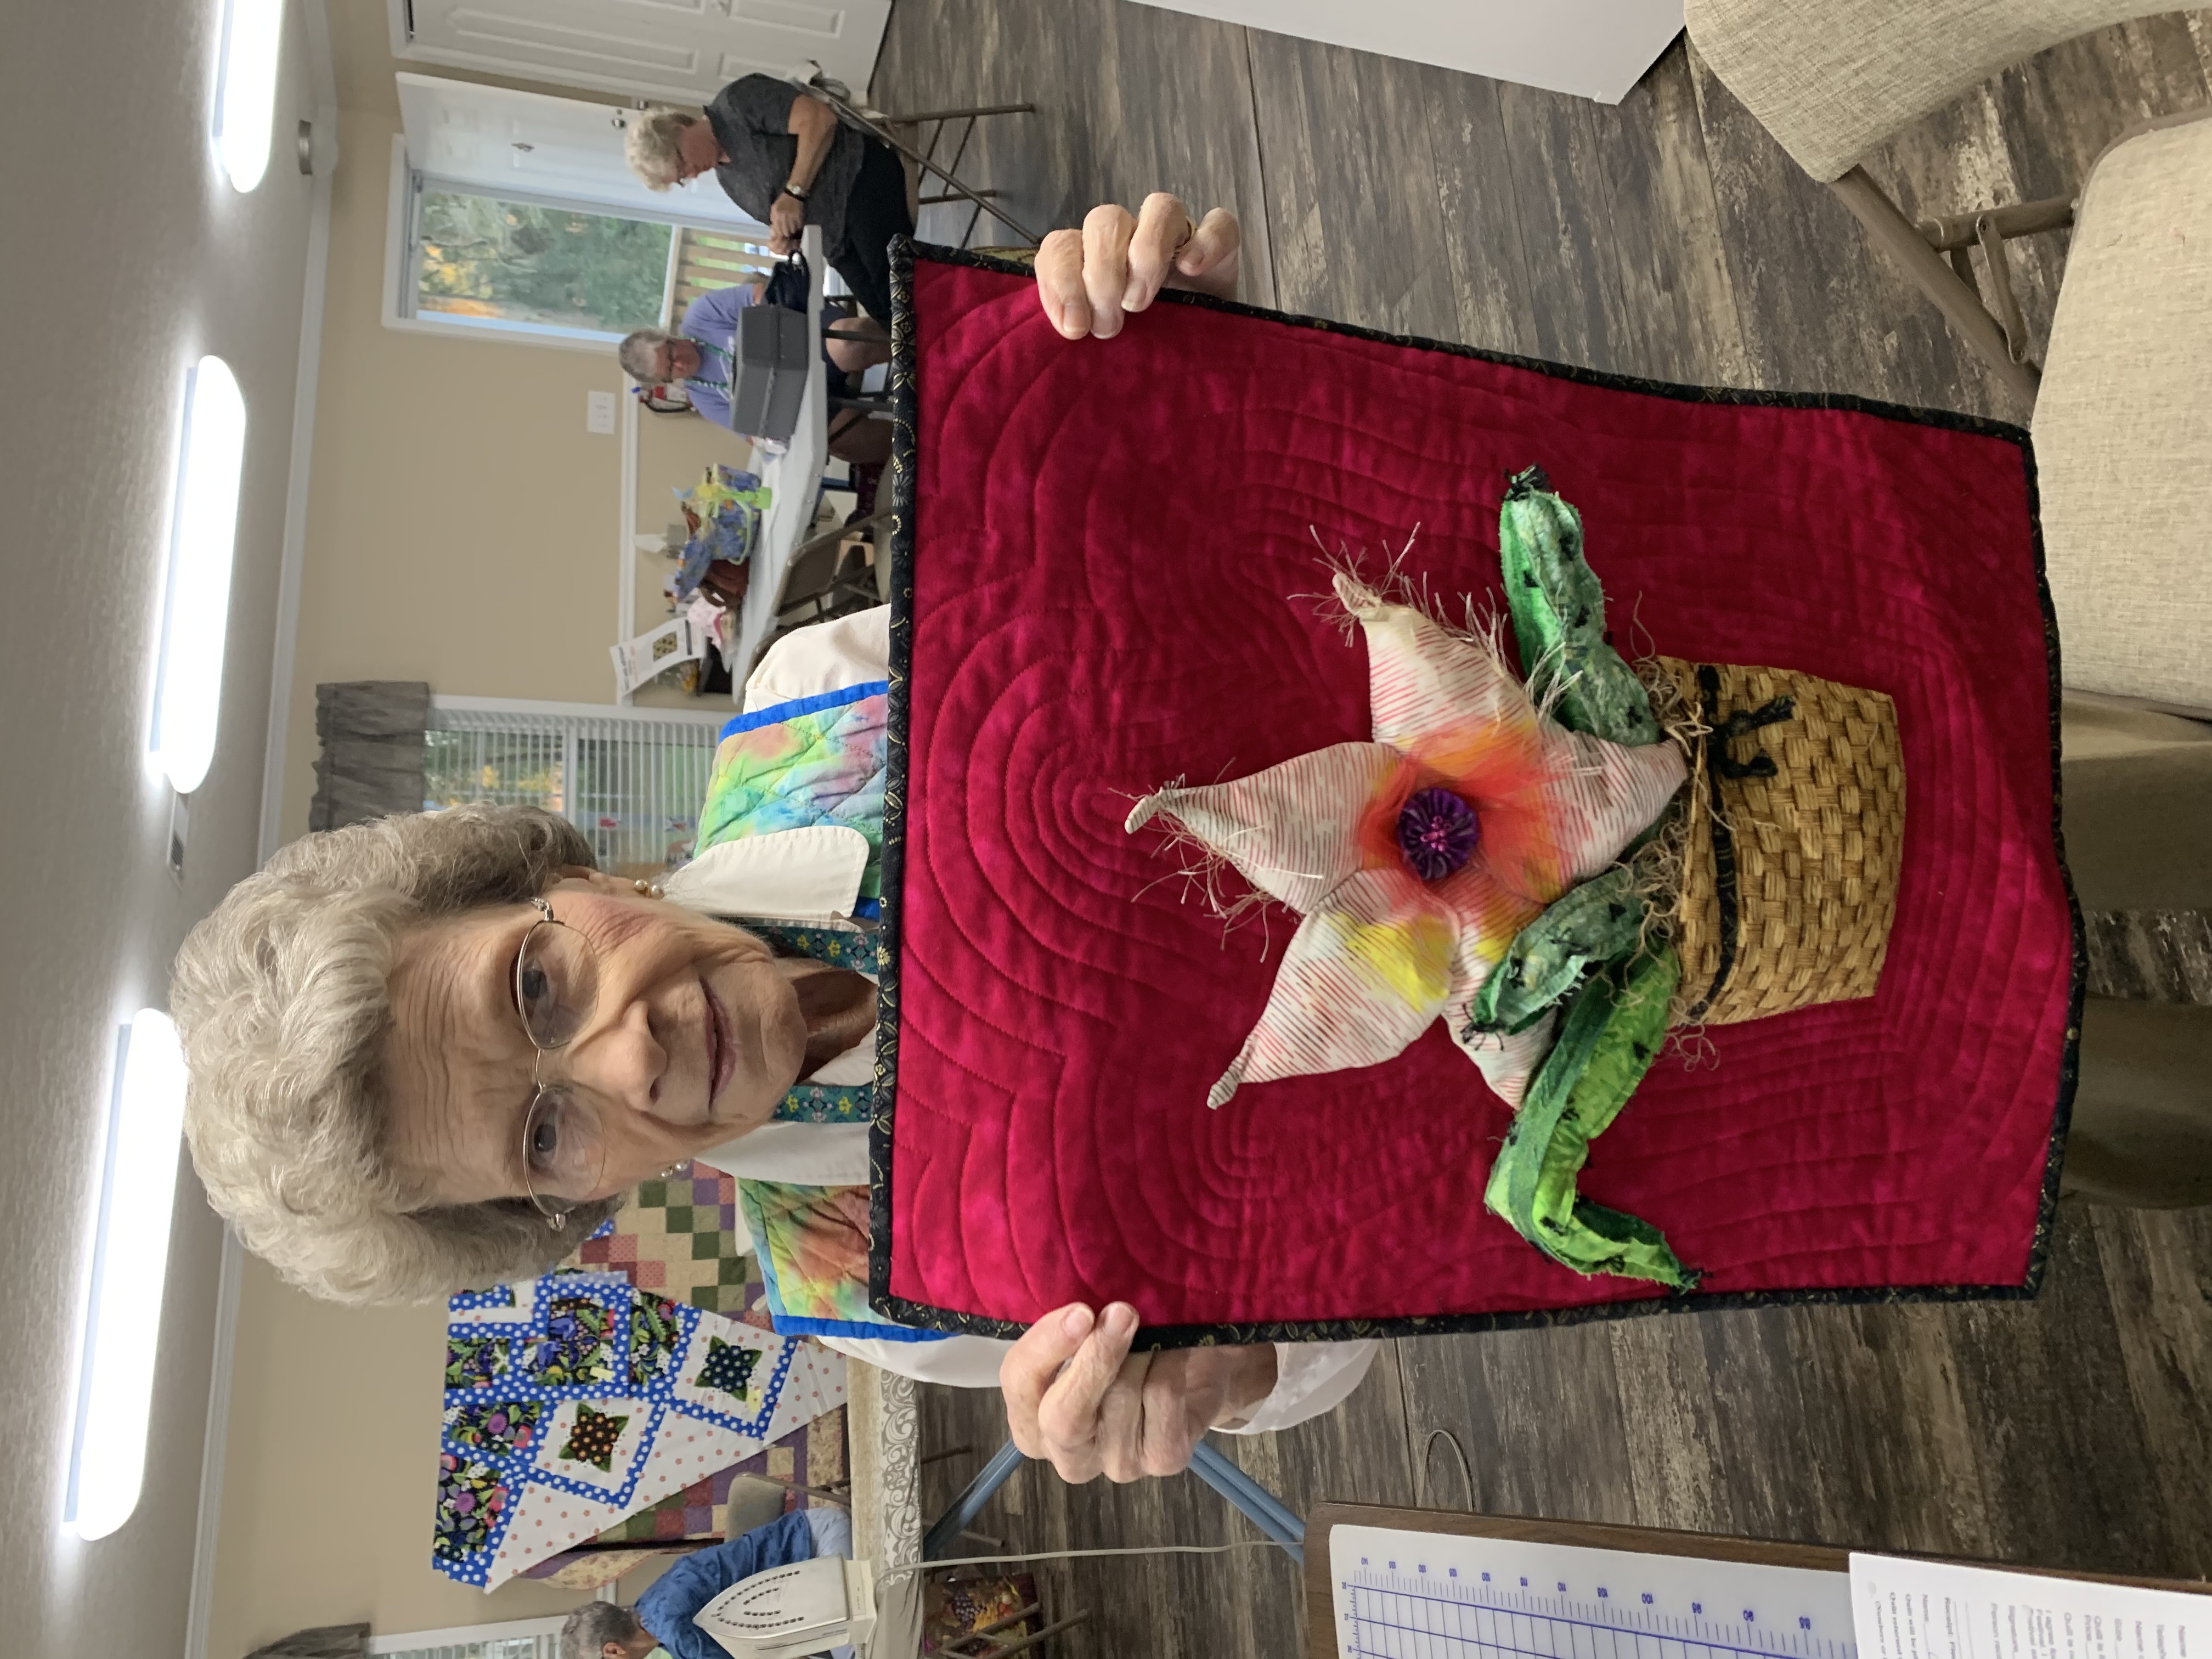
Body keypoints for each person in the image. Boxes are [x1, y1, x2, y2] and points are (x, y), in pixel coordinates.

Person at [624, 76, 913, 331]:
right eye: (682, 178)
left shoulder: (736, 104)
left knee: (904, 302)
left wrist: (795, 192)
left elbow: (819, 120)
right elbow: (793, 217)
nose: (691, 174)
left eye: (682, 164)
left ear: (679, 129)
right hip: (837, 241)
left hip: (858, 178)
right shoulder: (728, 180)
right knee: (889, 321)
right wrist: (787, 239)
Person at [617, 281, 891, 467]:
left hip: (804, 340)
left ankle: (911, 346)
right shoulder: (702, 397)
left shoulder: (701, 316)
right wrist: (768, 438)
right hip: (801, 399)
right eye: (669, 372)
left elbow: (761, 295)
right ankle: (912, 442)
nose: (679, 366)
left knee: (848, 345)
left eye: (671, 355)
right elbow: (752, 435)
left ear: (670, 338)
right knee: (839, 442)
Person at [559, 1507, 855, 1659]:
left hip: (817, 1541)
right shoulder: (653, 1615)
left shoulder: (671, 1625)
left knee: (856, 1652)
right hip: (804, 1574)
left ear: (613, 1651)